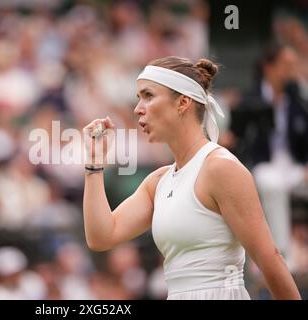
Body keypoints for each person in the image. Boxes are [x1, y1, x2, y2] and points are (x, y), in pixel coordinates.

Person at [82, 56, 301, 300]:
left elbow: (269, 259)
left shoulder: (220, 168)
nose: (138, 109)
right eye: (138, 98)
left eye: (148, 95)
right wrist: (94, 165)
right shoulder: (158, 182)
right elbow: (101, 236)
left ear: (183, 103)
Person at [229, 44, 308, 259]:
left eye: (293, 64)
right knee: (272, 185)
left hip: (295, 166)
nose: (292, 70)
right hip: (263, 165)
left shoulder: (297, 98)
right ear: (269, 67)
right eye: (286, 64)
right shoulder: (249, 98)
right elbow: (236, 138)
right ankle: (282, 256)